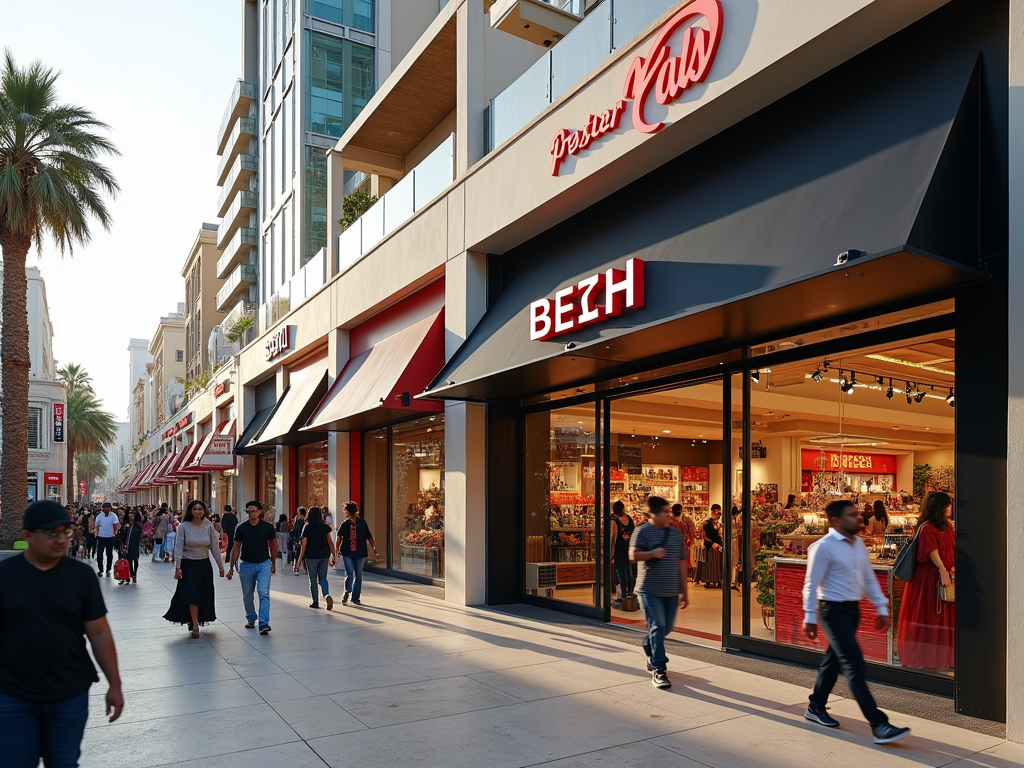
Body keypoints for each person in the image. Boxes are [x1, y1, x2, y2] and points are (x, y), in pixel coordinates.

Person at [0, 501, 124, 767]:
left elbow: (99, 633)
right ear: (27, 536)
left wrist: (115, 684)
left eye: (65, 532)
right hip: (11, 694)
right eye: (51, 533)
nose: (61, 540)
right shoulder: (5, 575)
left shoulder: (81, 576)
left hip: (68, 693)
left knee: (64, 762)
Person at [802, 500, 910, 744]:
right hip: (831, 611)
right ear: (836, 521)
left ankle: (816, 706)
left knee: (834, 661)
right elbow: (811, 584)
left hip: (852, 610)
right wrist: (809, 616)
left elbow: (868, 578)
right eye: (852, 515)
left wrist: (881, 607)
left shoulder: (858, 544)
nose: (859, 518)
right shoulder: (822, 548)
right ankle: (878, 724)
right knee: (854, 665)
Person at [629, 496, 688, 689]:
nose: (668, 515)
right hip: (649, 589)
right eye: (664, 512)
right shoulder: (642, 531)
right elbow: (632, 555)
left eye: (669, 511)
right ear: (653, 514)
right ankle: (659, 669)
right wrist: (652, 554)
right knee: (657, 626)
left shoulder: (675, 534)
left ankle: (649, 647)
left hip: (671, 589)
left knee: (666, 628)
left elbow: (681, 562)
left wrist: (684, 591)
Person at [897, 491, 955, 670]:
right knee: (932, 613)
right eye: (948, 504)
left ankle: (940, 657)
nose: (951, 507)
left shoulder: (947, 526)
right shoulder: (928, 528)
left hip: (941, 573)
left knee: (940, 613)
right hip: (929, 577)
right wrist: (943, 570)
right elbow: (932, 551)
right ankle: (928, 658)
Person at [165, 500, 225, 639]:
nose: (198, 511)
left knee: (202, 595)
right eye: (195, 509)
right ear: (190, 511)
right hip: (188, 565)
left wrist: (220, 566)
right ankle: (195, 625)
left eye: (200, 509)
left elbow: (214, 547)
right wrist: (178, 567)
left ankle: (194, 620)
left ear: (204, 511)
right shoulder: (183, 527)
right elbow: (178, 548)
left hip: (204, 565)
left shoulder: (208, 526)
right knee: (192, 595)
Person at [226, 501, 277, 634]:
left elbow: (273, 544)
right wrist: (231, 566)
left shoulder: (267, 527)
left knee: (263, 593)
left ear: (260, 512)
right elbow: (236, 547)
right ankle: (251, 617)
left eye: (255, 510)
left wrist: (273, 562)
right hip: (247, 565)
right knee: (247, 595)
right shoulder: (241, 528)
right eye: (249, 510)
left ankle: (264, 623)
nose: (252, 512)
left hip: (263, 564)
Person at [294, 506, 338, 609]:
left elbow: (303, 547)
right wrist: (333, 556)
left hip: (311, 557)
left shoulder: (307, 527)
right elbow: (330, 543)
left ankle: (315, 602)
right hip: (323, 556)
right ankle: (326, 595)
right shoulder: (324, 527)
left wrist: (298, 562)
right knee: (323, 578)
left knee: (312, 579)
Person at [337, 501, 378, 606]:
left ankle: (355, 598)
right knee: (350, 572)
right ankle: (347, 591)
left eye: (345, 510)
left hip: (360, 553)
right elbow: (339, 537)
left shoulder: (362, 523)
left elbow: (369, 536)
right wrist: (337, 549)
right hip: (347, 553)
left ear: (350, 511)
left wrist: (374, 549)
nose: (344, 512)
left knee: (358, 575)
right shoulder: (345, 524)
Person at [610, 501, 635, 608]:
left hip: (619, 550)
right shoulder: (629, 519)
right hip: (630, 549)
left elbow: (612, 539)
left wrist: (611, 555)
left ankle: (623, 596)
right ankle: (630, 594)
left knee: (621, 574)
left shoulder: (614, 521)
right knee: (630, 573)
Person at [93, 502, 120, 577]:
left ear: (110, 508)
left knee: (109, 554)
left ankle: (108, 569)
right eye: (105, 508)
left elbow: (116, 525)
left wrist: (115, 533)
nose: (107, 509)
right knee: (99, 554)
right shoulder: (99, 516)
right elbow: (96, 526)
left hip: (110, 537)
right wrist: (96, 534)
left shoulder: (113, 516)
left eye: (108, 507)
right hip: (101, 537)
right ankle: (100, 569)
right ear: (103, 508)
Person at [117, 510, 143, 584]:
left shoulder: (137, 525)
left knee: (135, 559)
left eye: (132, 515)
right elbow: (123, 534)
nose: (131, 517)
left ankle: (135, 573)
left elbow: (138, 535)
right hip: (127, 545)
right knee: (128, 560)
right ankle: (130, 573)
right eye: (130, 515)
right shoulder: (126, 524)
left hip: (134, 544)